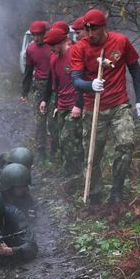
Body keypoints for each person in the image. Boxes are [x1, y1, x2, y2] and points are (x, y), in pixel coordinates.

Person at [69, 8, 140, 203]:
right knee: (93, 154)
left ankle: (117, 190)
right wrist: (90, 85)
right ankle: (94, 194)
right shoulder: (79, 48)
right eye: (87, 29)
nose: (91, 34)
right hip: (93, 107)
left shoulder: (120, 41)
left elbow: (135, 70)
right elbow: (76, 80)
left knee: (126, 143)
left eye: (94, 29)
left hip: (119, 104)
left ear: (104, 26)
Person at [41, 27, 83, 175]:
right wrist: (53, 103)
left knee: (68, 137)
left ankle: (78, 169)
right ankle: (69, 167)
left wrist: (79, 104)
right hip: (62, 103)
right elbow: (55, 83)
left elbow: (83, 81)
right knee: (61, 138)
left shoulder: (74, 54)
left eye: (53, 45)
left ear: (61, 42)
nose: (51, 49)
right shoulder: (54, 59)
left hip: (74, 104)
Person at [20, 20, 53, 155]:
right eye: (34, 35)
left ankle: (55, 150)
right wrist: (24, 91)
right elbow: (28, 71)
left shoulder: (52, 45)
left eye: (39, 34)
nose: (37, 38)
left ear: (45, 33)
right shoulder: (31, 49)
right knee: (39, 120)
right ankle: (41, 150)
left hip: (53, 85)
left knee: (53, 120)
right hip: (39, 84)